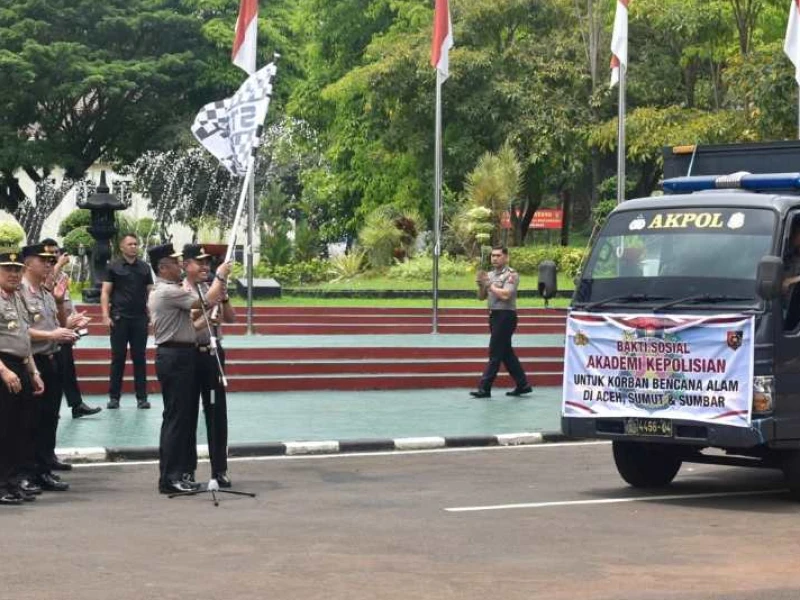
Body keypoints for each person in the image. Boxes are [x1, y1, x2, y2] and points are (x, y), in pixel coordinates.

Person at [147, 243, 231, 495]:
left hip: (182, 354)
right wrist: (221, 275)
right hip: (175, 355)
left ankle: (175, 475)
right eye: (175, 262)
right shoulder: (167, 291)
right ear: (163, 267)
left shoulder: (169, 290)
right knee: (177, 419)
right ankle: (171, 476)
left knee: (181, 418)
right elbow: (205, 301)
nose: (179, 266)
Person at [21, 242, 78, 491]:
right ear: (27, 263)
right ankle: (27, 471)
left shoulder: (45, 292)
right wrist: (53, 335)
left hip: (51, 359)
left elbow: (59, 323)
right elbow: (20, 332)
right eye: (42, 260)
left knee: (48, 419)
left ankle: (43, 468)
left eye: (50, 260)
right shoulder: (19, 292)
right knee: (29, 421)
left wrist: (60, 308)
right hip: (32, 361)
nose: (48, 264)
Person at [182, 244, 236, 487]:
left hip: (213, 354)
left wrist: (223, 297)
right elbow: (192, 319)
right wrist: (219, 284)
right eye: (199, 262)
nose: (205, 267)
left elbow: (230, 317)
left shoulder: (210, 287)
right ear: (186, 265)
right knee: (188, 414)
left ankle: (219, 470)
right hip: (191, 354)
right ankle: (186, 470)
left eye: (207, 263)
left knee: (216, 413)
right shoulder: (183, 290)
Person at [0, 248, 45, 504]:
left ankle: (13, 479)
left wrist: (33, 371)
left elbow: (23, 336)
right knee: (4, 428)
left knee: (20, 427)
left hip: (20, 364)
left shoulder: (16, 298)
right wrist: (4, 371)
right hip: (3, 367)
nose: (14, 274)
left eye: (17, 269)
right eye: (8, 269)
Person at [41, 239, 101, 419]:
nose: (53, 257)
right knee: (55, 372)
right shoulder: (45, 275)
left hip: (65, 329)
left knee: (67, 369)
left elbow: (66, 303)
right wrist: (58, 265)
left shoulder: (63, 277)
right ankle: (55, 407)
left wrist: (77, 318)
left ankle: (76, 405)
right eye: (49, 254)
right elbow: (46, 291)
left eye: (56, 253)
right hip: (49, 334)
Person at [470, 246, 532, 399]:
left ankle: (484, 388)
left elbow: (506, 295)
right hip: (494, 315)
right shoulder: (489, 275)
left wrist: (489, 284)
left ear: (506, 257)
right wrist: (481, 285)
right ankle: (523, 384)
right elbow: (481, 297)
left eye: (498, 255)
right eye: (492, 256)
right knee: (506, 353)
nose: (495, 258)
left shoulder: (511, 275)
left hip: (506, 316)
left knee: (495, 352)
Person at [101, 233, 153, 409]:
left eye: (136, 244)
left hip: (140, 318)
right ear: (122, 247)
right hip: (119, 318)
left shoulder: (145, 268)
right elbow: (105, 292)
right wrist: (105, 315)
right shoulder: (113, 267)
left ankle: (142, 398)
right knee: (118, 358)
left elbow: (150, 293)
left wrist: (153, 316)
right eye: (130, 244)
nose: (134, 246)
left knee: (140, 358)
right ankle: (114, 397)